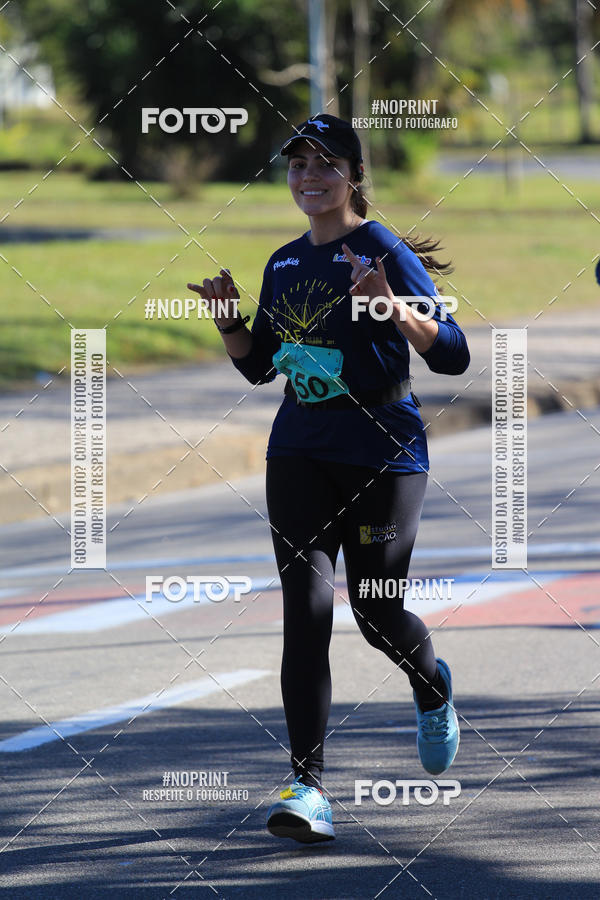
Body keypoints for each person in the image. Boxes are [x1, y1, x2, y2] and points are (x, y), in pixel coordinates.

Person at [188, 114, 469, 844]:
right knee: (305, 616)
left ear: (354, 175)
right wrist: (229, 322)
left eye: (324, 164)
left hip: (383, 453)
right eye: (297, 166)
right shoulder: (283, 262)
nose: (308, 178)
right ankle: (307, 787)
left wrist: (391, 305)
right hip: (300, 452)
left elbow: (454, 356)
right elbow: (260, 366)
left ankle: (430, 684)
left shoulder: (382, 249)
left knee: (378, 613)